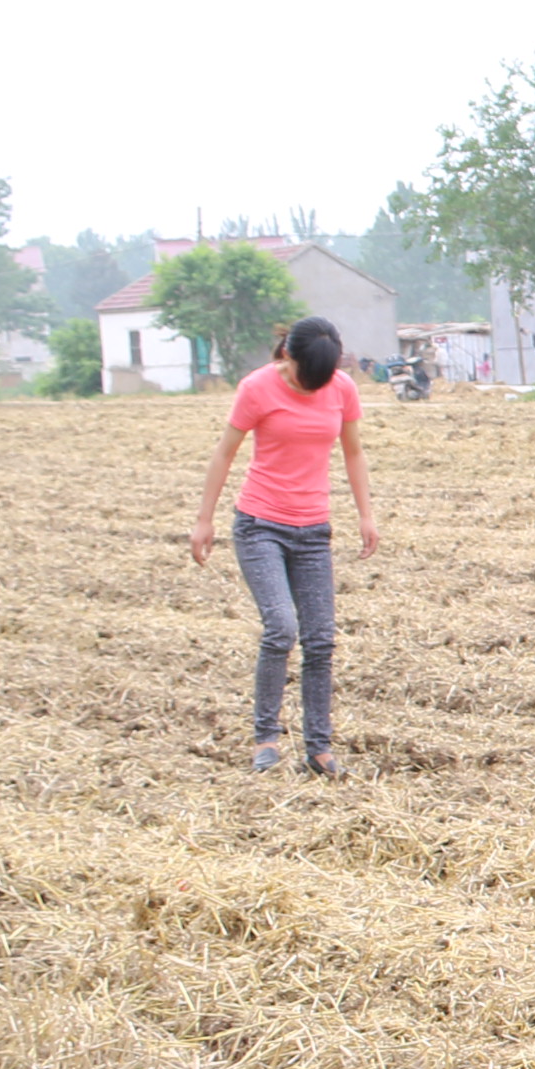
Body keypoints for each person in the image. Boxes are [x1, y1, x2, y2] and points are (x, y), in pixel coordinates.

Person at [188, 316, 378, 775]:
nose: (313, 388)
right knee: (281, 628)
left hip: (314, 531)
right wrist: (204, 519)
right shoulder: (256, 389)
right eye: (304, 378)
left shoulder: (341, 388)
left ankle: (318, 748)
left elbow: (353, 451)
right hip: (260, 526)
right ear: (287, 356)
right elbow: (224, 452)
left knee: (320, 640)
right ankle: (265, 739)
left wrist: (366, 514)